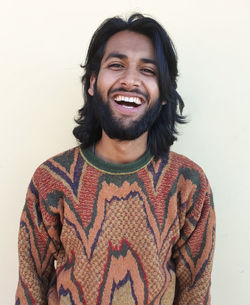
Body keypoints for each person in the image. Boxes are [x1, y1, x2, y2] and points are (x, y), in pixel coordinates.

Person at [15, 13, 215, 305]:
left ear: (163, 94)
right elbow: (30, 289)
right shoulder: (51, 179)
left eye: (148, 70)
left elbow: (195, 295)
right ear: (93, 82)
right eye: (116, 65)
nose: (130, 80)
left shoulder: (187, 183)